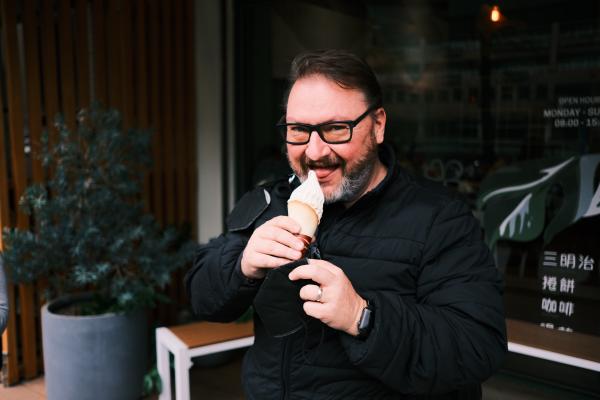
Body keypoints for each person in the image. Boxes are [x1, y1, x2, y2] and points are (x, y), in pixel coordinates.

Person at [185, 49, 506, 399]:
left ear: (378, 125)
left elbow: (477, 348)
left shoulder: (439, 218)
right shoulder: (270, 201)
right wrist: (242, 264)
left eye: (336, 129)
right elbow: (202, 296)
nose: (315, 151)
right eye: (298, 130)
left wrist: (363, 317)